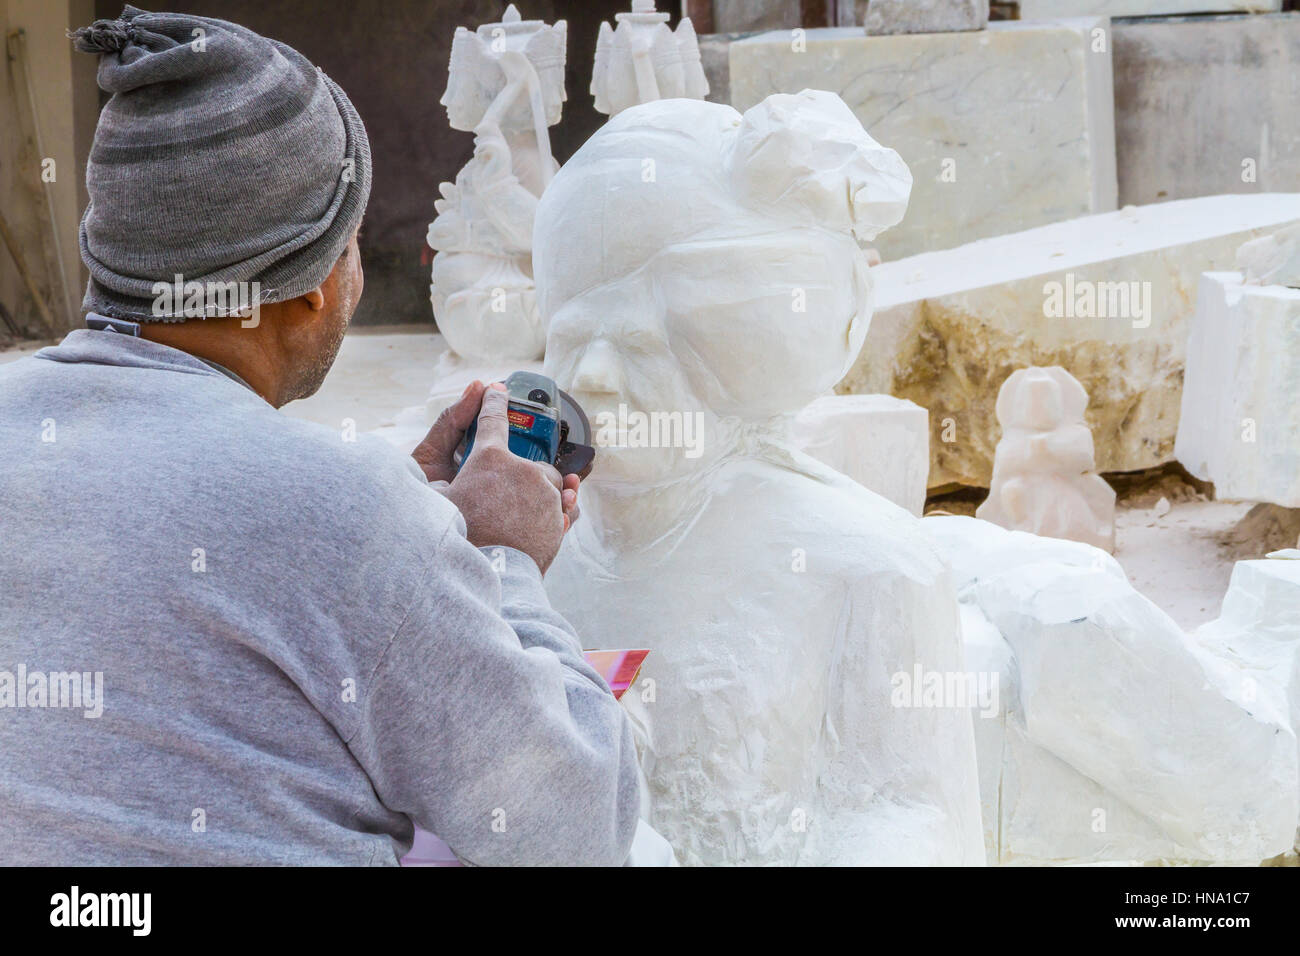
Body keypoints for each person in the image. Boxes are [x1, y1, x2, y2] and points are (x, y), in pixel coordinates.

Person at [0, 6, 639, 866]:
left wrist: (406, 529)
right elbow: (580, 825)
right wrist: (499, 562)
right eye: (355, 240)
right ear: (313, 285)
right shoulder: (345, 513)